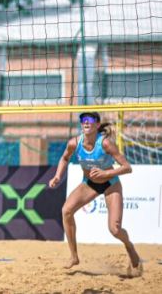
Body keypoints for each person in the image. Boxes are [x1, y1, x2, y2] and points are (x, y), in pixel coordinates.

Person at [49, 112, 142, 274]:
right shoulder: (74, 143)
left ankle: (129, 246)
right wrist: (57, 176)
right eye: (83, 120)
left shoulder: (105, 143)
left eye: (90, 120)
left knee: (115, 229)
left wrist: (106, 173)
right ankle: (74, 256)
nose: (86, 122)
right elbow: (64, 158)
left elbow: (127, 167)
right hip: (90, 183)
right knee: (66, 211)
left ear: (97, 125)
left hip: (110, 183)